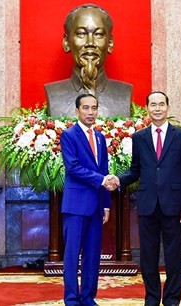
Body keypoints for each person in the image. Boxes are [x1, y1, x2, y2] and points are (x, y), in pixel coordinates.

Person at [113, 91, 181, 306]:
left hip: (174, 205)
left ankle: (171, 300)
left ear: (168, 107)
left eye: (161, 104)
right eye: (153, 105)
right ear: (147, 108)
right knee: (148, 257)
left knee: (174, 257)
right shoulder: (139, 137)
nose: (157, 108)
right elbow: (135, 170)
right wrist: (117, 181)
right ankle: (151, 299)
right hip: (147, 204)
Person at [60, 93, 118, 306]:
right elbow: (73, 168)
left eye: (94, 108)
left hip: (95, 206)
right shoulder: (69, 135)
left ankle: (88, 298)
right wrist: (103, 180)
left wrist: (106, 204)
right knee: (72, 255)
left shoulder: (100, 137)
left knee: (92, 256)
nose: (90, 112)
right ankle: (72, 299)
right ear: (77, 110)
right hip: (75, 206)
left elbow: (103, 170)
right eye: (86, 108)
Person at [45, 4, 132, 118]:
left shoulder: (124, 93)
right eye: (81, 34)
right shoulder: (54, 93)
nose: (90, 43)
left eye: (98, 34)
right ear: (67, 42)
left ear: (110, 43)